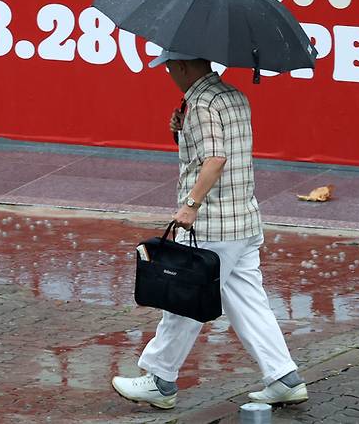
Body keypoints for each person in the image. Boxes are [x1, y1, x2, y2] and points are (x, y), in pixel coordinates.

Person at [111, 50, 307, 409]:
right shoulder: (232, 95)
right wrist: (181, 134)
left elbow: (215, 159)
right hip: (243, 219)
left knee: (183, 299)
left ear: (182, 66)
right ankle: (283, 377)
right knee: (250, 304)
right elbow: (218, 152)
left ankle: (159, 379)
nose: (168, 73)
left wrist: (190, 205)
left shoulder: (200, 103)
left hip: (213, 224)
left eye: (169, 67)